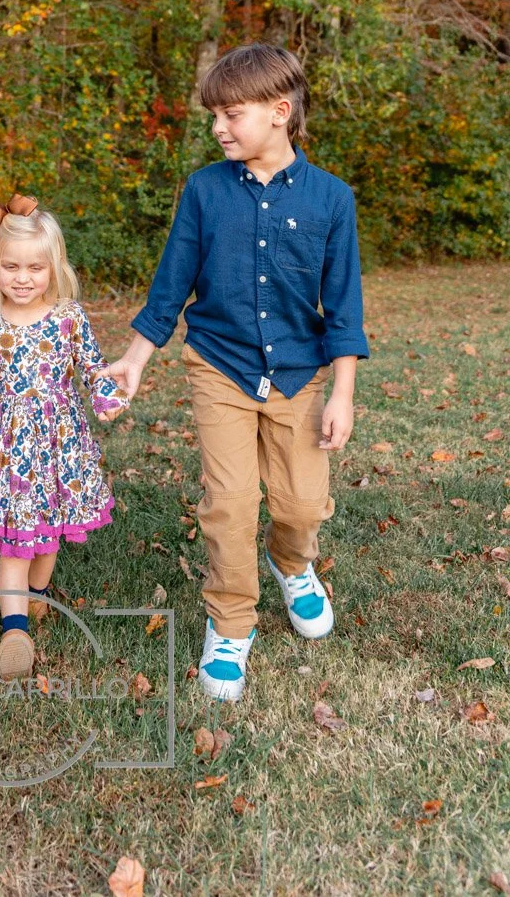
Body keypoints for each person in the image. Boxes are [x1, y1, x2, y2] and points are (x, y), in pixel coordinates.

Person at [106, 44, 369, 702]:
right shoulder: (204, 191)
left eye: (232, 114)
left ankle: (293, 563)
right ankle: (231, 623)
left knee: (302, 505)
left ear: (279, 112)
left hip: (301, 375)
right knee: (228, 504)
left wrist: (342, 392)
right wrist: (136, 359)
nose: (219, 127)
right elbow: (172, 282)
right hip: (219, 366)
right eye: (214, 117)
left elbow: (343, 306)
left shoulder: (332, 201)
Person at [0, 193, 128, 681]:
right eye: (10, 267)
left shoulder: (69, 317)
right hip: (7, 448)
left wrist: (106, 395)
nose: (22, 278)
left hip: (58, 443)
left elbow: (91, 365)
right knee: (13, 542)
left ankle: (39, 597)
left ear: (53, 268)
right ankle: (14, 631)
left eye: (34, 268)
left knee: (47, 540)